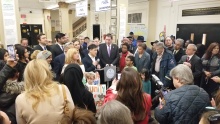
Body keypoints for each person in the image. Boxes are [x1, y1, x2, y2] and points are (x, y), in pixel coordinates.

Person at [15, 59, 74, 124]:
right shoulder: (62, 89)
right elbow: (71, 113)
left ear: (27, 76)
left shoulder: (20, 99)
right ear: (47, 72)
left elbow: (21, 122)